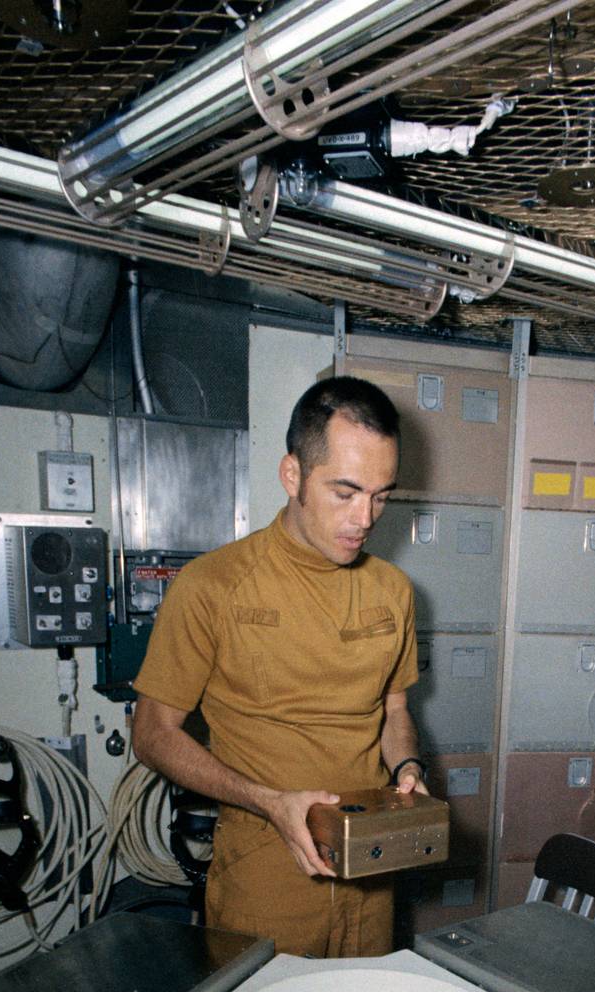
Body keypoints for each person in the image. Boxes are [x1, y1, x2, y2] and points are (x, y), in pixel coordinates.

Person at [131, 375, 426, 957]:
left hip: (370, 872)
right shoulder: (213, 586)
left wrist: (408, 767)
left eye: (381, 494)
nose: (365, 518)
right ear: (293, 475)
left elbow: (395, 711)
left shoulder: (393, 590)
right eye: (344, 492)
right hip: (266, 870)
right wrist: (268, 801)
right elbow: (151, 734)